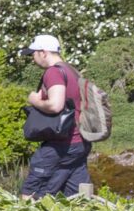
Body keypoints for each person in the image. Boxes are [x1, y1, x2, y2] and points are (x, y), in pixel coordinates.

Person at [21, 32, 90, 198]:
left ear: (43, 52)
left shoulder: (53, 72)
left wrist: (34, 100)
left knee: (31, 193)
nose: (32, 59)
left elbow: (55, 105)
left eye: (33, 54)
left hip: (60, 143)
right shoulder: (72, 70)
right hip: (80, 141)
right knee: (77, 197)